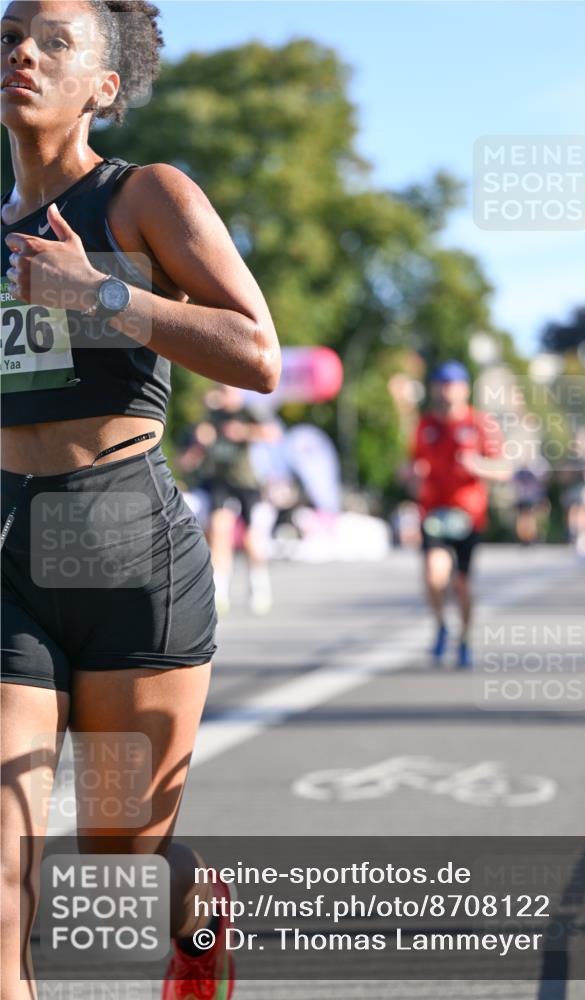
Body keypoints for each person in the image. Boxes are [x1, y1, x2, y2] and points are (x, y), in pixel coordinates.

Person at [0, 3, 280, 998]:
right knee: (4, 870)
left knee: (121, 847)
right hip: (11, 552)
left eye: (53, 41)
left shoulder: (143, 196)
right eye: (7, 36)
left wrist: (99, 292)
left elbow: (257, 353)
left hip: (128, 547)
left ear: (104, 86)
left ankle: (200, 917)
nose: (20, 52)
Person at [410, 361, 508, 667]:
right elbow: (414, 463)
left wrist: (478, 465)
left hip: (468, 515)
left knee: (461, 584)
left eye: (452, 385)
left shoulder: (480, 423)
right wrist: (412, 474)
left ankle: (464, 639)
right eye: (441, 384)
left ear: (464, 389)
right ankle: (441, 625)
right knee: (433, 572)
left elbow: (504, 468)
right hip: (434, 513)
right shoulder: (426, 425)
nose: (446, 391)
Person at [186, 384, 282, 616]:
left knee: (250, 538)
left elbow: (273, 434)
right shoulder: (212, 415)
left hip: (246, 482)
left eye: (228, 391)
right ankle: (220, 591)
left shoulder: (249, 412)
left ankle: (258, 585)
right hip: (220, 481)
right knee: (219, 530)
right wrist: (201, 440)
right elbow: (194, 447)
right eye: (221, 390)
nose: (224, 395)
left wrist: (244, 431)